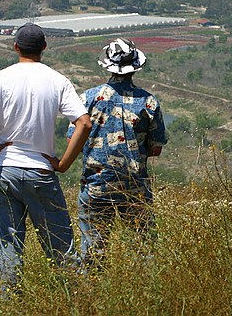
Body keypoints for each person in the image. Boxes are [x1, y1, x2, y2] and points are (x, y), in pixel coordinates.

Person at [0, 22, 92, 295]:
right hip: (41, 171)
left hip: (5, 170)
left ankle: (10, 304)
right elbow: (84, 123)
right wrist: (63, 164)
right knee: (61, 246)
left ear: (15, 47)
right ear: (44, 47)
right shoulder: (58, 81)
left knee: (8, 247)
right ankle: (73, 302)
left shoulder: (0, 78)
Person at [67, 38, 168, 267]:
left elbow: (72, 138)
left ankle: (89, 294)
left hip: (97, 183)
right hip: (135, 186)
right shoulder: (149, 102)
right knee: (144, 250)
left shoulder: (88, 99)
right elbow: (156, 147)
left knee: (93, 251)